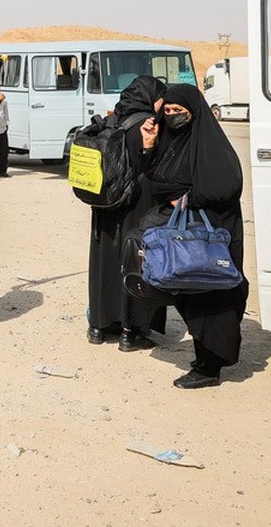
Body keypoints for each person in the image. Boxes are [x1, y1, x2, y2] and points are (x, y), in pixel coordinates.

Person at [140, 83, 246, 389]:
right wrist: (148, 145)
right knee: (189, 292)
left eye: (179, 111)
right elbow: (154, 177)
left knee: (211, 294)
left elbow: (226, 185)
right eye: (168, 111)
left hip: (211, 233)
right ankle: (205, 359)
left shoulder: (210, 145)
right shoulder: (170, 141)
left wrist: (188, 199)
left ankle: (209, 367)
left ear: (195, 111)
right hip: (186, 236)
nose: (173, 116)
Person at [86, 76, 167, 351]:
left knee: (103, 261)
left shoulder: (112, 120)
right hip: (137, 202)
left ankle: (98, 325)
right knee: (135, 260)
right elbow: (150, 163)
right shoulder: (148, 124)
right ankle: (130, 331)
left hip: (105, 204)